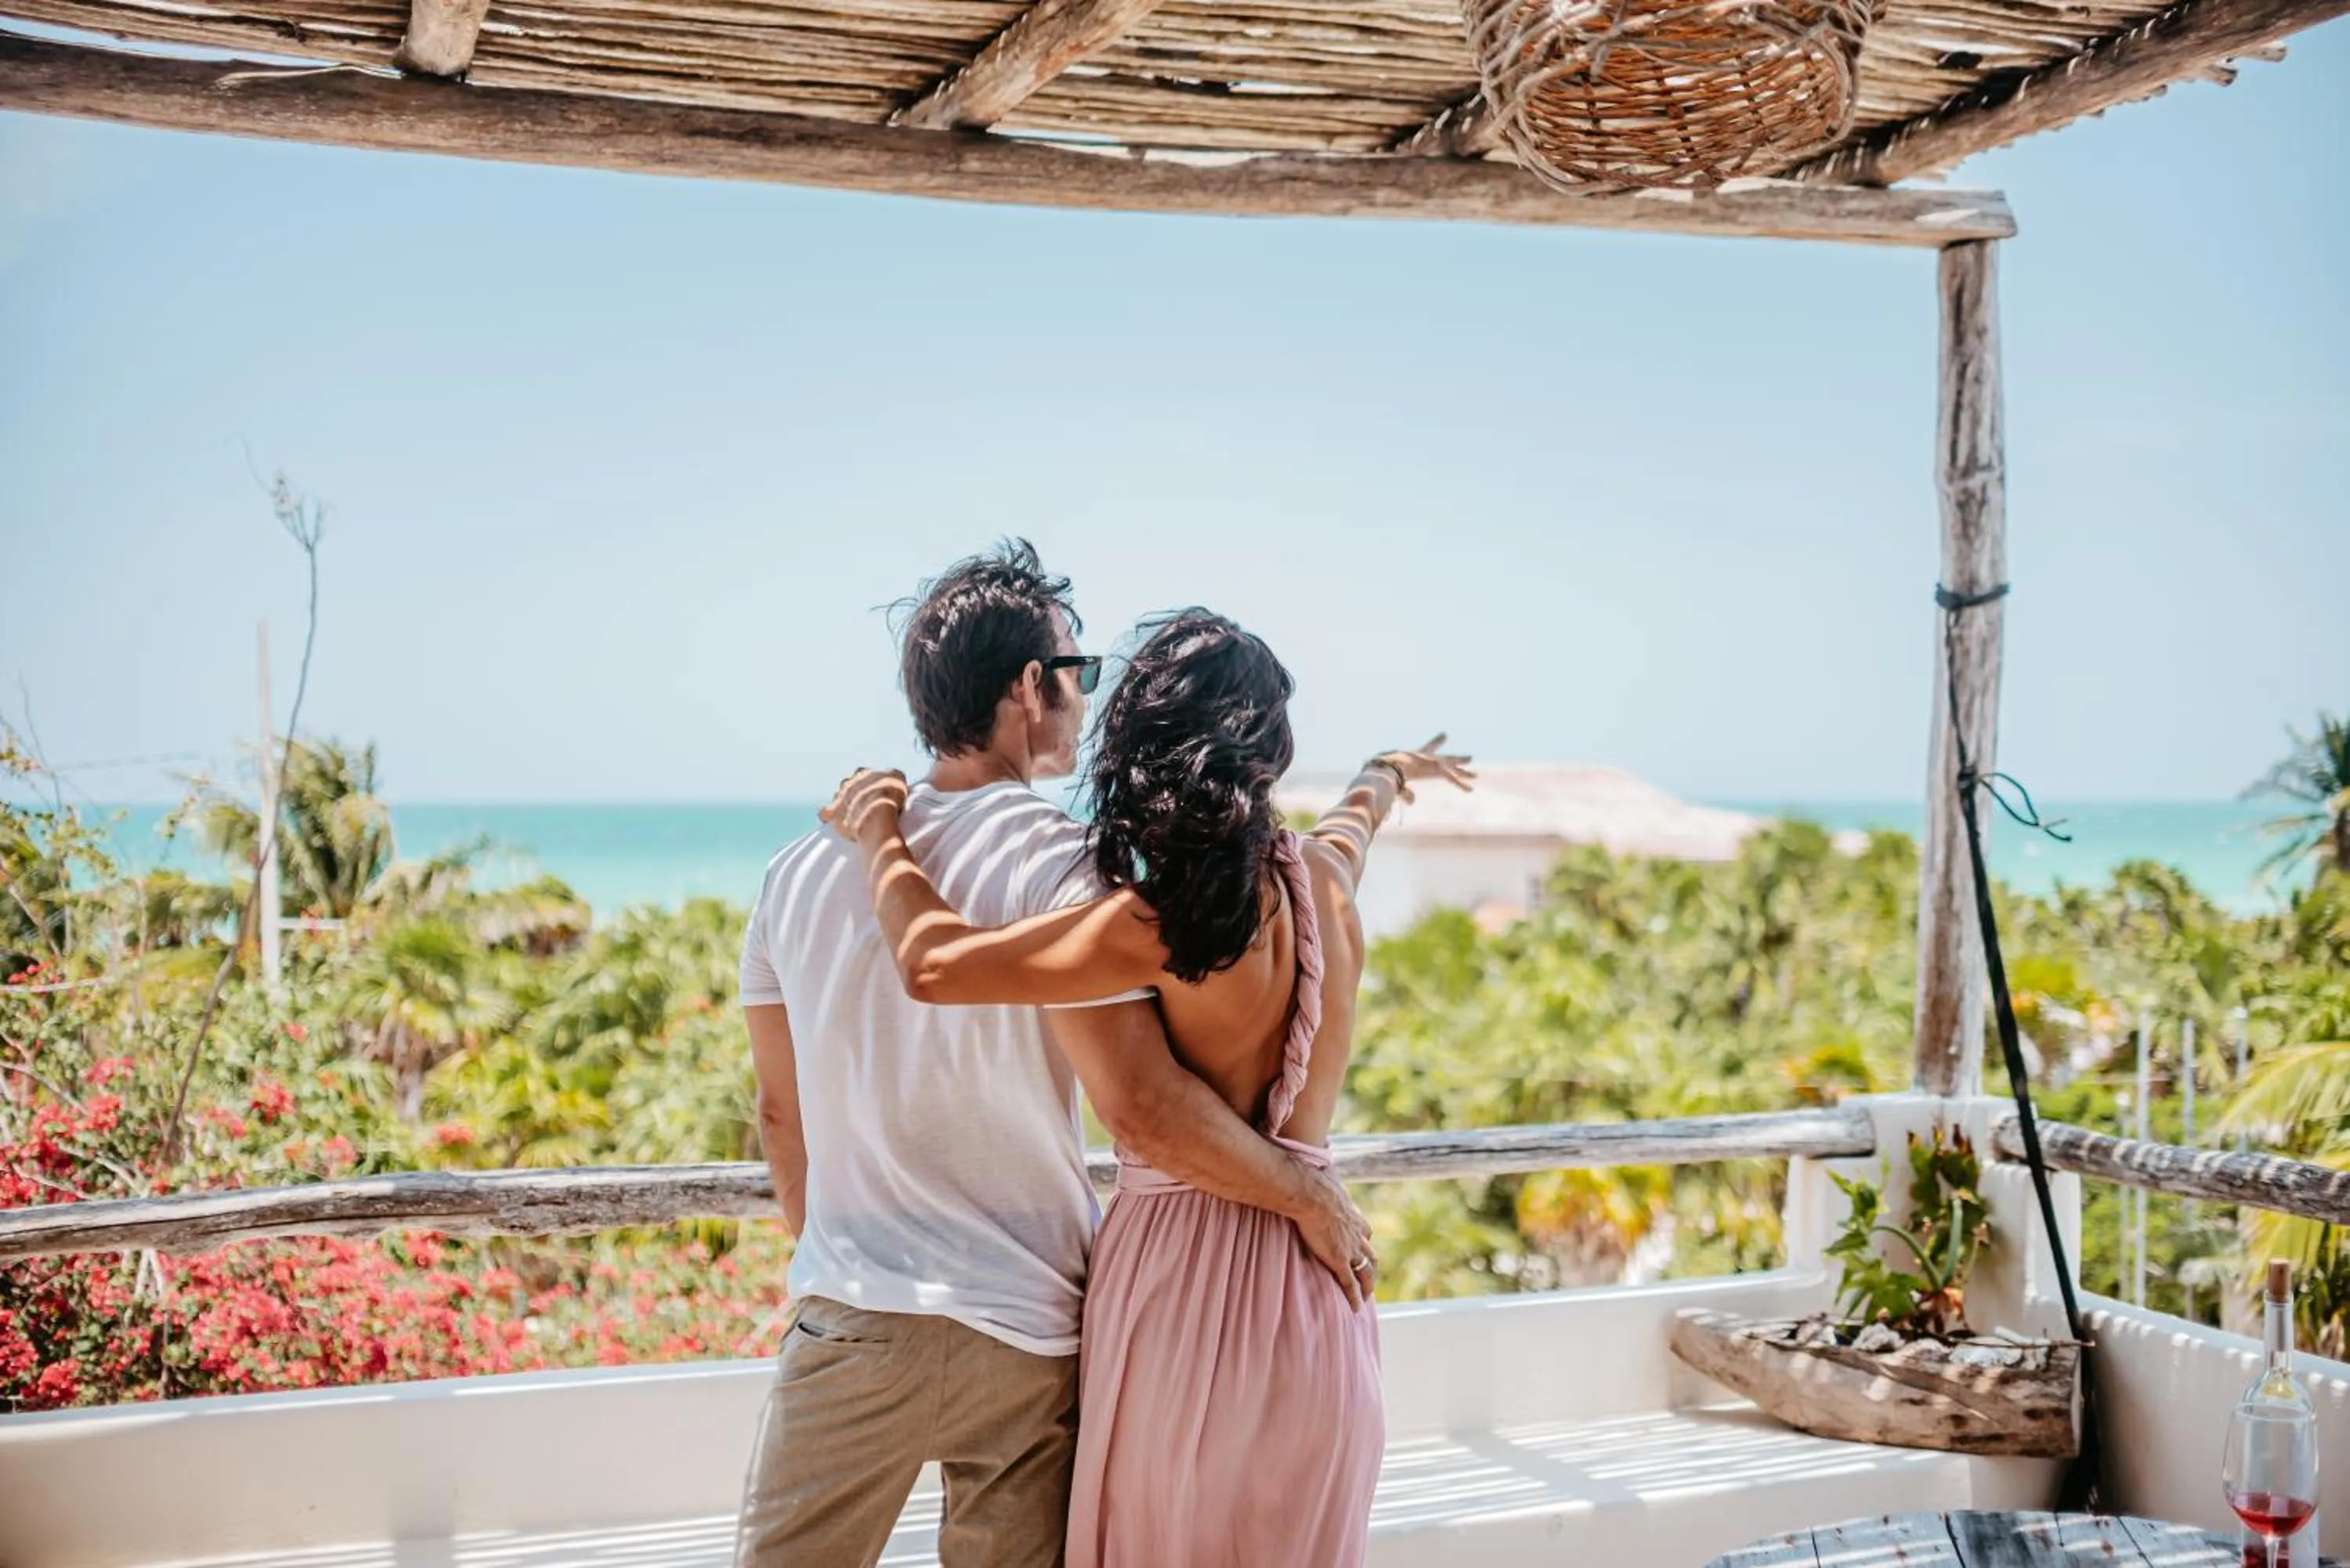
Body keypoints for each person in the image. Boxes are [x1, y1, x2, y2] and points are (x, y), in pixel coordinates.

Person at [733, 547, 1373, 1568]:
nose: (1084, 702)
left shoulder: (796, 872)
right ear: (1030, 689)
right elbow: (1143, 1099)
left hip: (853, 1311)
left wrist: (840, 1266)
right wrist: (1309, 1195)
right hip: (1033, 1324)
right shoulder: (1076, 867)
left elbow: (780, 1111)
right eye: (1076, 675)